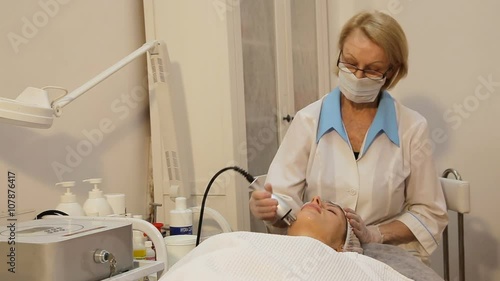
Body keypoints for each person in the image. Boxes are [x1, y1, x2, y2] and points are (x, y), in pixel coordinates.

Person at [249, 10, 448, 263]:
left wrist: (376, 234)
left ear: (391, 71)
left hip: (384, 259)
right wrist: (268, 210)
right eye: (351, 63)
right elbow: (282, 200)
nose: (358, 75)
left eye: (373, 69)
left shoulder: (411, 127)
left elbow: (430, 213)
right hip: (318, 258)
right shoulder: (308, 121)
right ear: (339, 55)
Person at [160, 196, 415, 281]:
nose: (316, 200)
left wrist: (374, 235)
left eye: (331, 210)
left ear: (342, 246)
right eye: (316, 200)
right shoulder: (242, 242)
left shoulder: (358, 266)